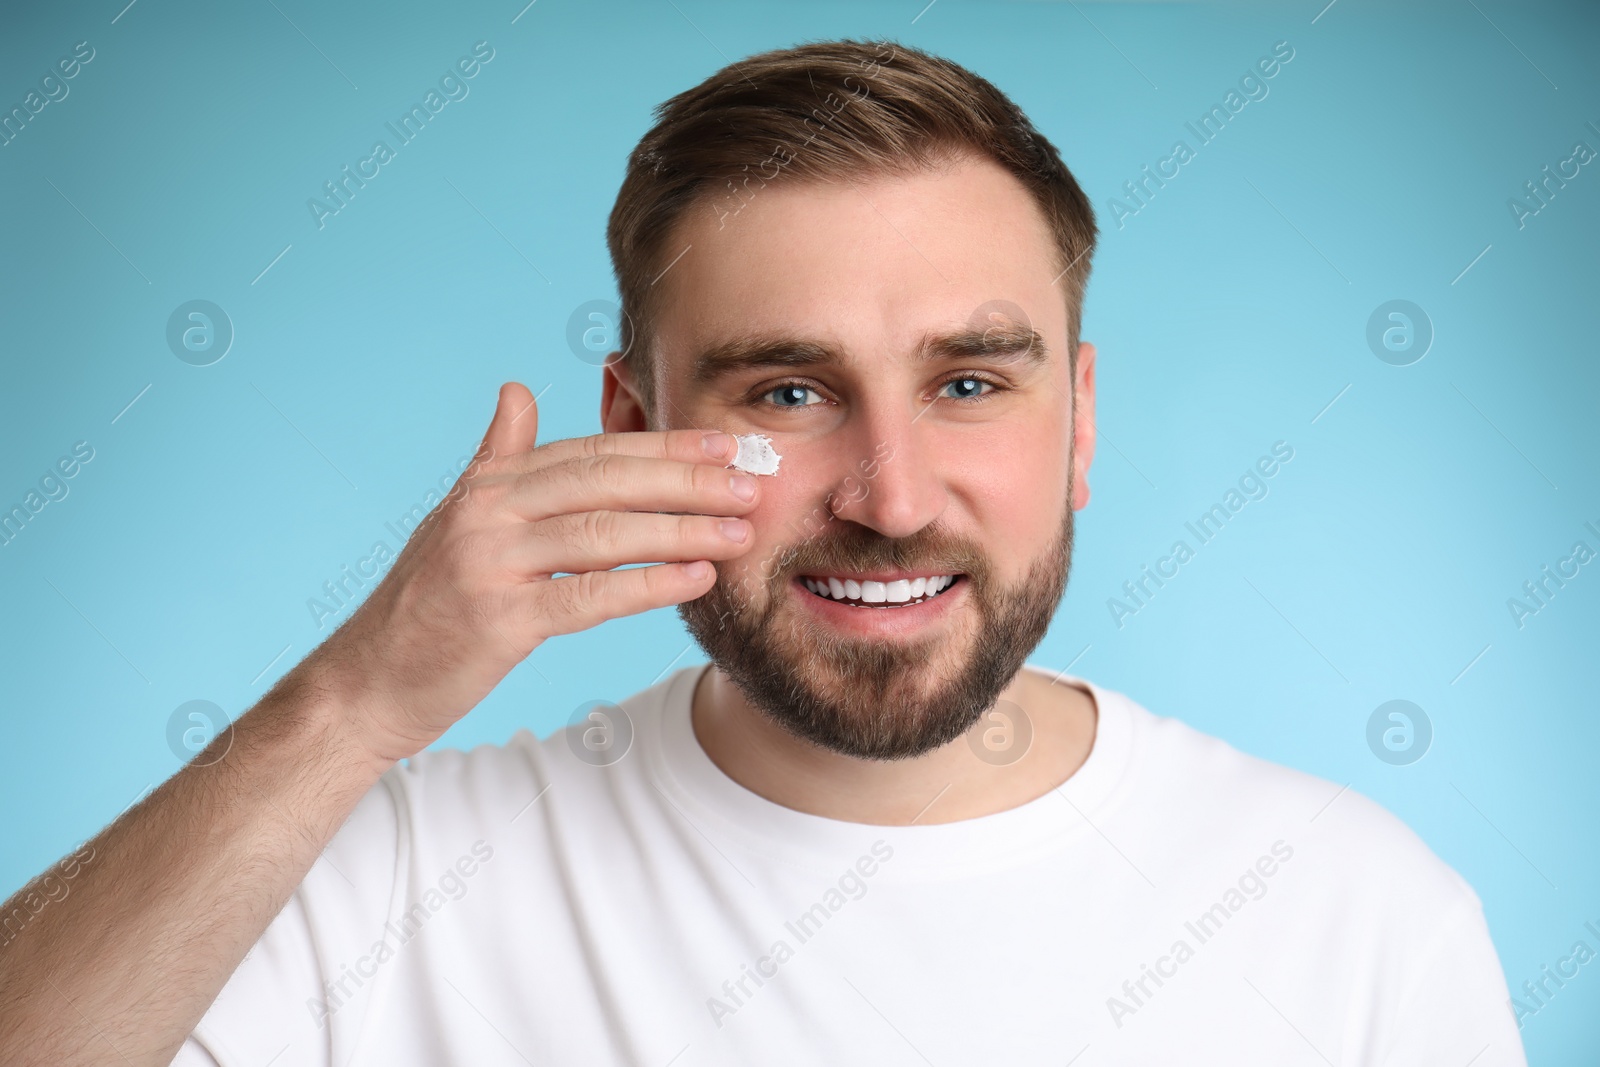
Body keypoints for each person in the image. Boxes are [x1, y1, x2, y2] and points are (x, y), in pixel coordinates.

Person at [0, 38, 1525, 1067]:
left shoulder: (1356, 920)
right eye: (788, 392)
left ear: (1080, 419)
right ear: (632, 421)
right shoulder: (398, 878)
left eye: (971, 383)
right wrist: (347, 707)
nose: (890, 493)